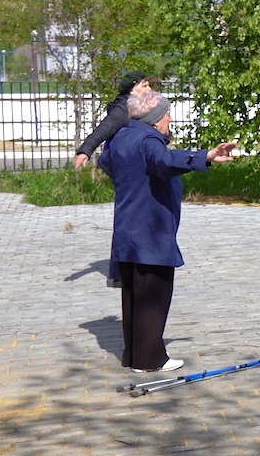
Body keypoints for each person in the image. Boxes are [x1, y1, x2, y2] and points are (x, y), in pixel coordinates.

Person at [99, 91, 237, 373]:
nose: (170, 120)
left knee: (134, 297)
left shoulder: (123, 135)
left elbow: (105, 161)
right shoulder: (148, 140)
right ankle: (151, 359)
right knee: (153, 296)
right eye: (167, 115)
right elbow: (164, 161)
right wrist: (207, 156)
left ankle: (134, 356)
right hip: (151, 229)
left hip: (127, 229)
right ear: (154, 119)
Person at [74, 71, 154, 170]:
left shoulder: (141, 106)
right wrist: (86, 150)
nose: (149, 89)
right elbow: (105, 128)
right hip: (126, 163)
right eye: (144, 86)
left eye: (148, 85)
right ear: (131, 90)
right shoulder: (124, 109)